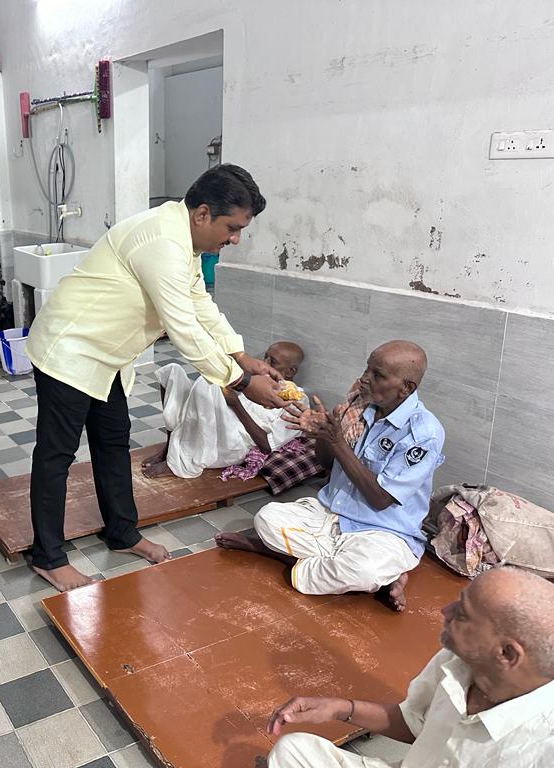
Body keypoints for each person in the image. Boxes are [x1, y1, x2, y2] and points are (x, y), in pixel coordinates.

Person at [25, 164, 287, 592]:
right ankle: (48, 557)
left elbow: (199, 302)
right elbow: (182, 326)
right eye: (232, 228)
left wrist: (240, 355)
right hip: (69, 351)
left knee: (113, 441)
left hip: (106, 357)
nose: (235, 238)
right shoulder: (162, 241)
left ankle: (121, 532)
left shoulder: (185, 242)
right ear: (202, 214)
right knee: (57, 454)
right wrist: (240, 381)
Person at [217, 341, 444, 612]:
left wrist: (336, 441)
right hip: (331, 514)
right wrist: (322, 436)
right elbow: (326, 463)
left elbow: (381, 499)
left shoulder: (424, 433)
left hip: (382, 530)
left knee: (365, 570)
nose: (364, 378)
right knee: (266, 518)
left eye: (378, 375)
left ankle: (280, 554)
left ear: (406, 388)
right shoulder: (358, 406)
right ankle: (382, 576)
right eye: (367, 369)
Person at [262, 566, 554, 767]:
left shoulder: (544, 746)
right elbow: (414, 722)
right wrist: (340, 709)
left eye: (462, 614)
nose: (445, 611)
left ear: (506, 654)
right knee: (293, 751)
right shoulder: (456, 660)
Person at [142, 341, 307, 479]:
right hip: (220, 424)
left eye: (273, 362)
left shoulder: (297, 402)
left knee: (207, 383)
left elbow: (266, 446)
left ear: (291, 371)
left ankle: (181, 464)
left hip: (235, 445)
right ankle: (170, 447)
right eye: (266, 357)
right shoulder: (260, 382)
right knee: (172, 372)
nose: (265, 363)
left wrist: (235, 404)